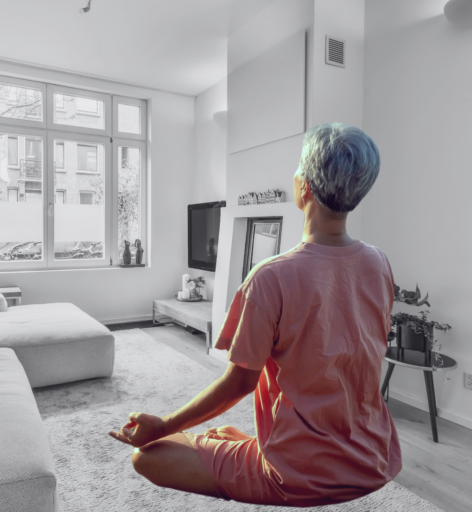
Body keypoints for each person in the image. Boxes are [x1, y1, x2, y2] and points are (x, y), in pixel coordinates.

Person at [108, 123, 401, 507]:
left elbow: (240, 384)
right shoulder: (378, 263)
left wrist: (162, 427)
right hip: (374, 461)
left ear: (304, 187)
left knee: (146, 457)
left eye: (298, 167)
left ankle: (243, 452)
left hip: (295, 474)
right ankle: (239, 447)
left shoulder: (270, 277)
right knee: (216, 439)